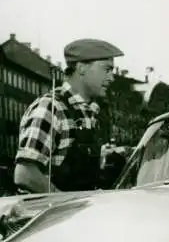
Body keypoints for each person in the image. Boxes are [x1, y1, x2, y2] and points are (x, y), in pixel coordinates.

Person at [13, 39, 124, 193]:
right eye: (107, 69)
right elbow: (25, 174)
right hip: (54, 215)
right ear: (82, 67)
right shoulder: (51, 108)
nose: (112, 77)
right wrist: (66, 204)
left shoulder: (91, 112)